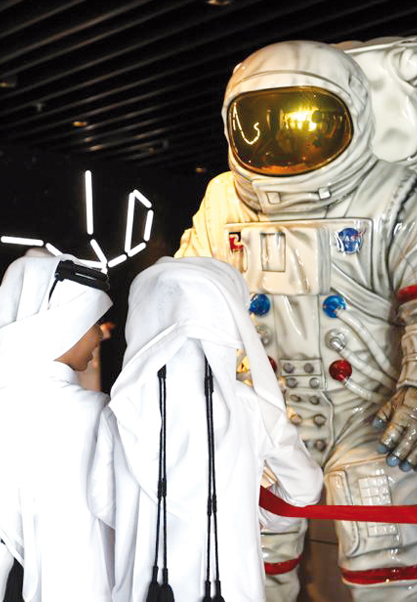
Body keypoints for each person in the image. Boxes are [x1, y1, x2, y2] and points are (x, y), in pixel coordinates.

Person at [176, 40, 417, 601]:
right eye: (262, 124)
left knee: (385, 554)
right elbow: (187, 301)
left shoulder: (392, 195)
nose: (285, 141)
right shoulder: (226, 201)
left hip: (370, 411)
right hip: (262, 413)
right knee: (246, 563)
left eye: (308, 122)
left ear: (352, 113)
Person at [88, 257, 324, 602]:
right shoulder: (251, 408)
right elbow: (305, 488)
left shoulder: (120, 410)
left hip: (141, 590)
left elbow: (103, 502)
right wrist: (253, 516)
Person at [0, 255, 113, 601]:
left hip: (0, 584)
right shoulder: (96, 413)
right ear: (62, 325)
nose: (99, 334)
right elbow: (113, 505)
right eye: (92, 323)